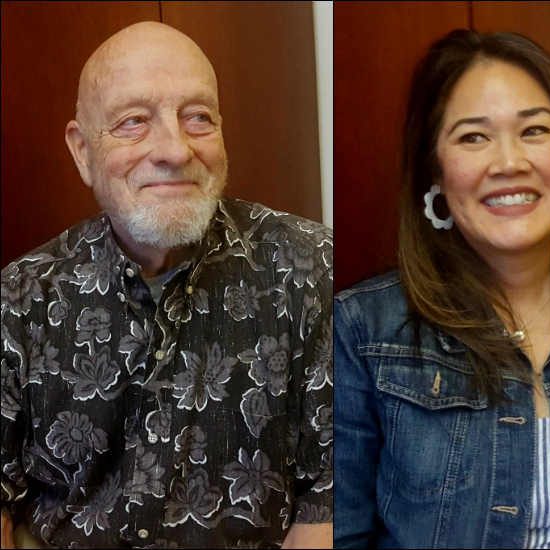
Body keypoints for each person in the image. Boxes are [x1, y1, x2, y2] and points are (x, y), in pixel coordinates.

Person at [0, 21, 333, 549]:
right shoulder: (18, 299)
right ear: (83, 151)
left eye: (198, 117)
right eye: (134, 122)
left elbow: (326, 502)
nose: (175, 150)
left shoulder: (312, 269)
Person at [333, 29, 550, 548]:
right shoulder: (360, 331)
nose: (509, 162)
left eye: (534, 130)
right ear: (436, 176)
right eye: (473, 137)